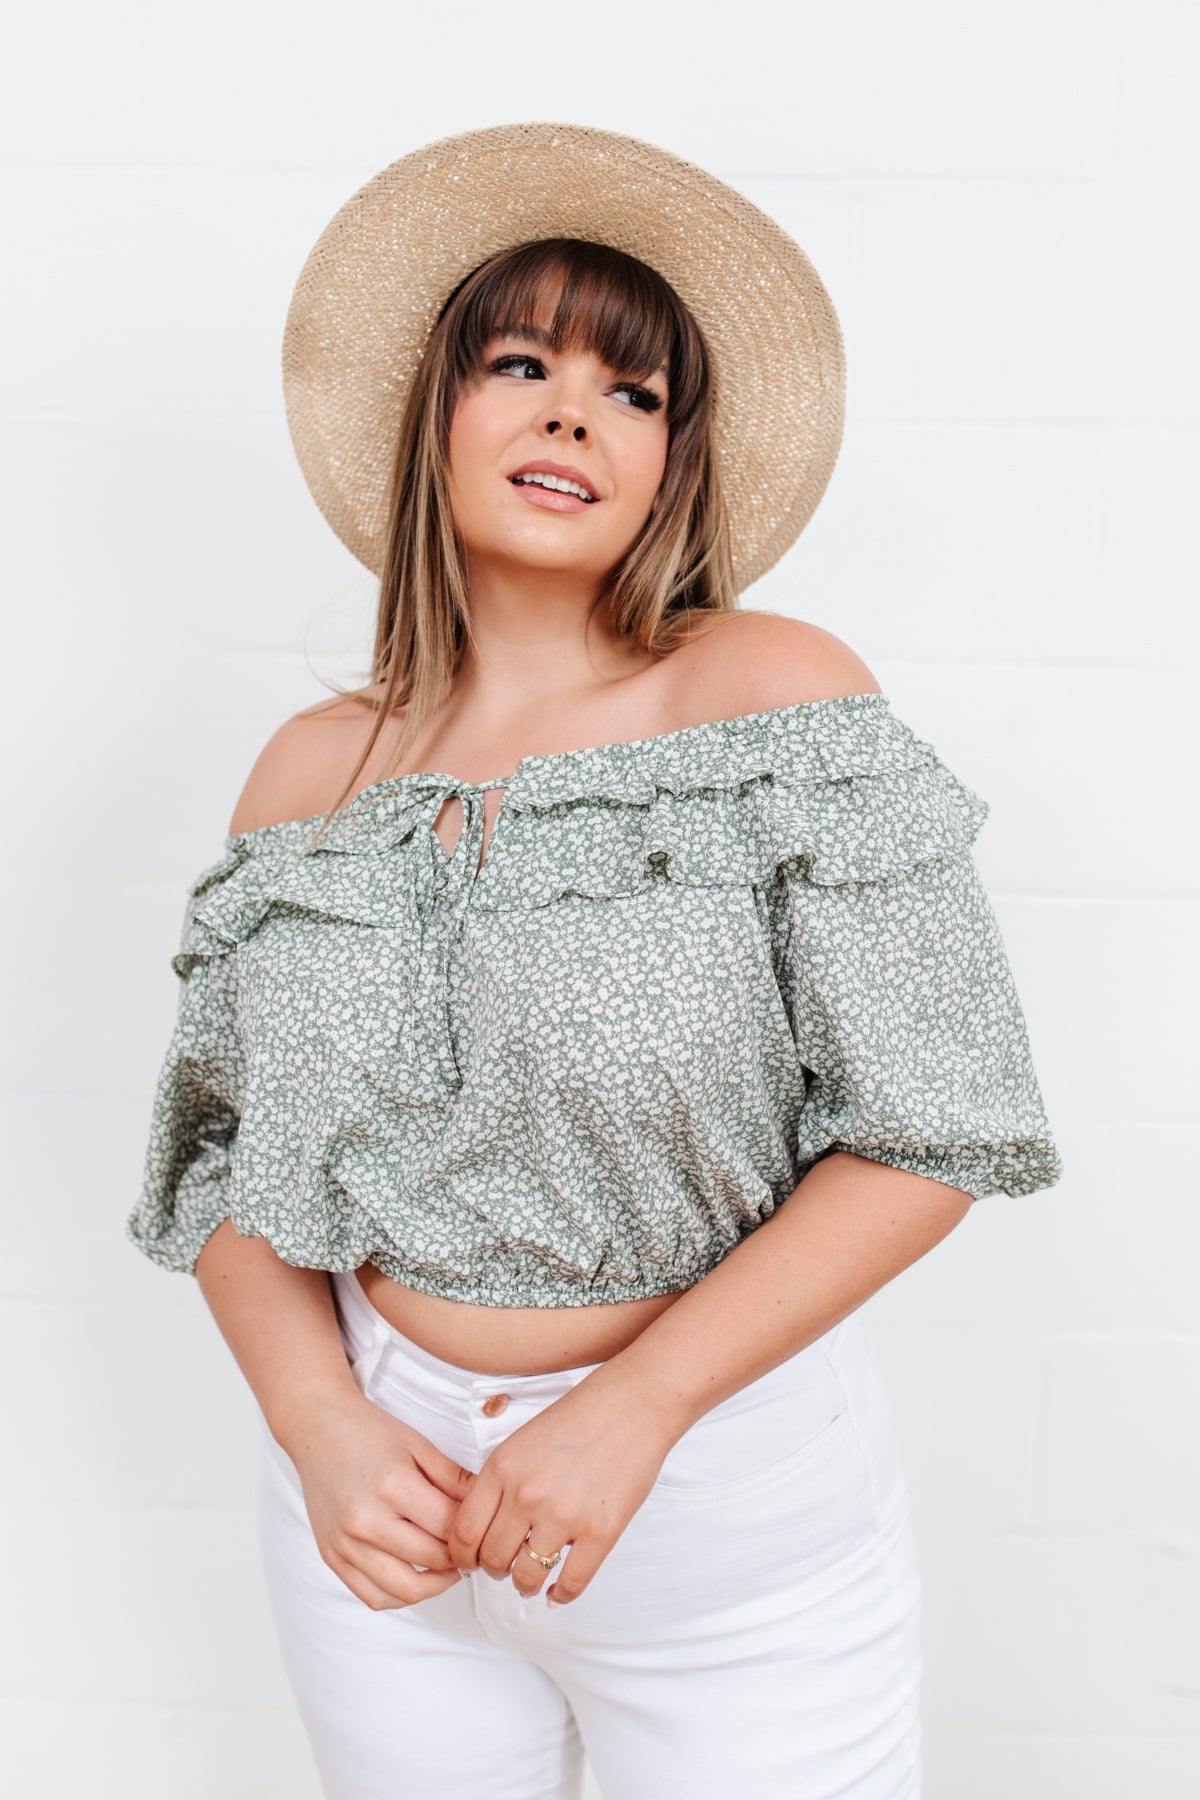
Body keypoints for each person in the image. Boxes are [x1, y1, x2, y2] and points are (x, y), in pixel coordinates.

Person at [126, 123, 1063, 1800]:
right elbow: (231, 1165)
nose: (573, 414)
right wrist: (319, 1426)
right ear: (436, 414)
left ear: (670, 465)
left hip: (722, 1529)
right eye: (522, 365)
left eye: (634, 393)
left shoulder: (773, 698)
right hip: (380, 1537)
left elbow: (933, 1125)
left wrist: (636, 1407)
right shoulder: (308, 775)